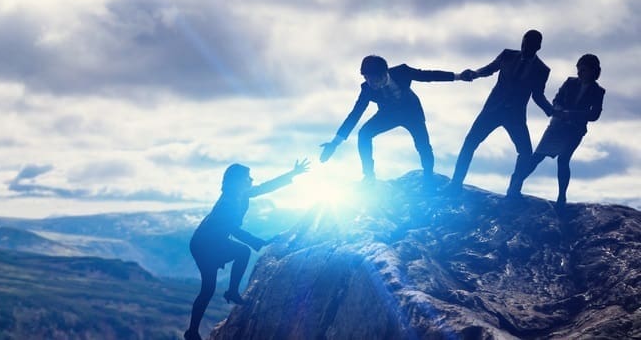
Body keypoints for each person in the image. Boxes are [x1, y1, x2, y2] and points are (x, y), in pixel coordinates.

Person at [184, 159, 309, 340]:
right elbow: (234, 229)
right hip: (204, 245)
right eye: (247, 177)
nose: (251, 179)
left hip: (210, 241)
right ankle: (225, 299)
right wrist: (259, 242)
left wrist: (292, 174)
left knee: (209, 287)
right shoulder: (229, 202)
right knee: (224, 272)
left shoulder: (239, 195)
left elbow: (266, 187)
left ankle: (193, 330)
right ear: (238, 181)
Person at [319, 55, 464, 183]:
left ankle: (428, 177)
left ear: (384, 74)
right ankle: (369, 177)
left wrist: (458, 76)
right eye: (366, 78)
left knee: (423, 146)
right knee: (364, 134)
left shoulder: (402, 71)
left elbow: (428, 76)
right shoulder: (366, 89)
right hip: (388, 115)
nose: (370, 83)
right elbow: (355, 114)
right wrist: (334, 143)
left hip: (411, 113)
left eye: (373, 79)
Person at [446, 30, 553, 194]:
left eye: (530, 45)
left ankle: (513, 190)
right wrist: (474, 74)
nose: (525, 48)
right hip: (492, 110)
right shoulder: (507, 55)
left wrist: (550, 110)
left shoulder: (542, 70)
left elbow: (538, 95)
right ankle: (455, 183)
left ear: (538, 46)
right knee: (470, 143)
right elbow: (490, 68)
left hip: (515, 116)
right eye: (524, 43)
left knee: (525, 153)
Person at [505, 54, 605, 208]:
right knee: (537, 157)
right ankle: (515, 186)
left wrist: (571, 115)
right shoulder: (570, 82)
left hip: (575, 130)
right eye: (578, 69)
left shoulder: (598, 91)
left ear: (593, 71)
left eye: (583, 70)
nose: (579, 73)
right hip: (557, 125)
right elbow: (557, 99)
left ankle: (561, 198)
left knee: (563, 160)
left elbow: (594, 114)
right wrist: (558, 109)